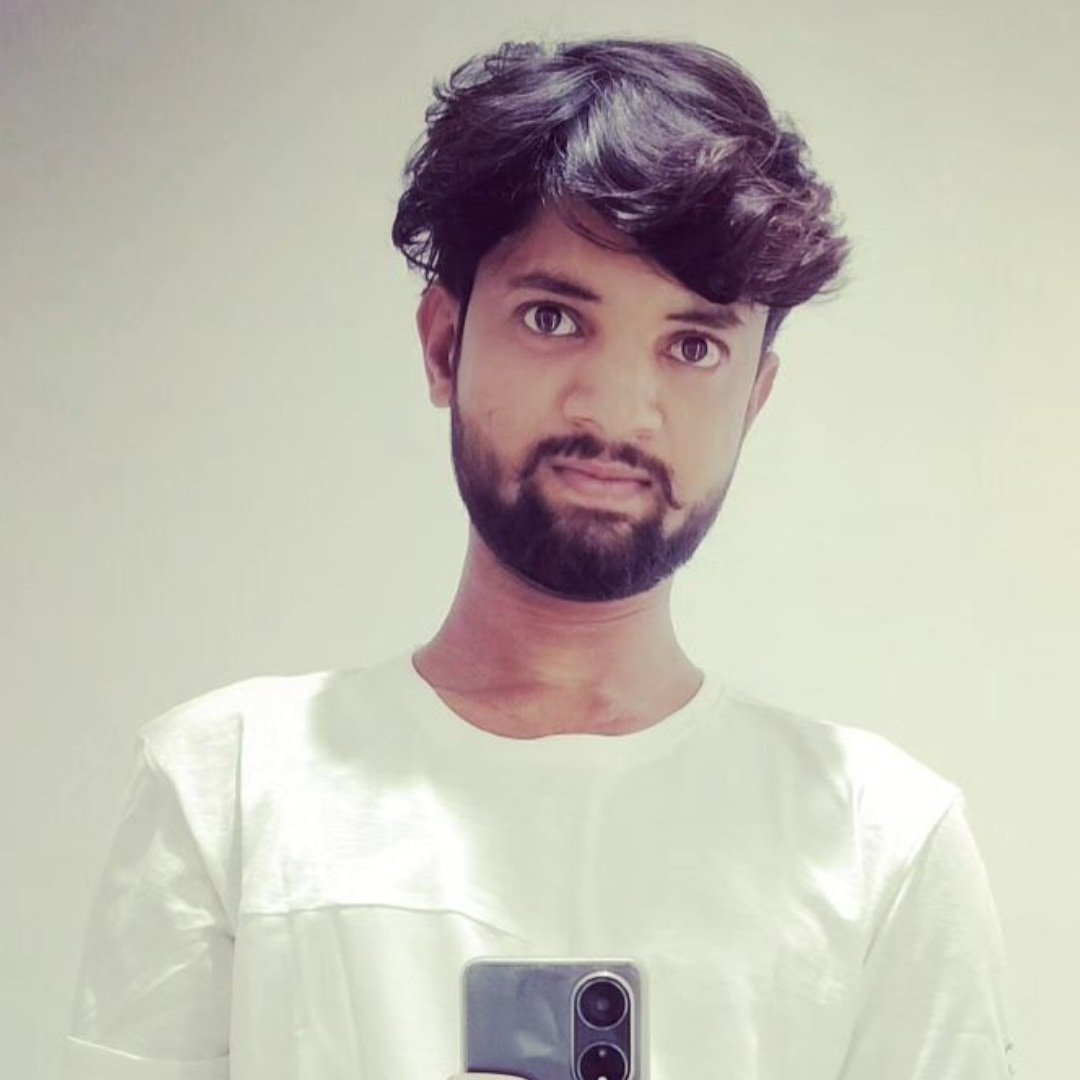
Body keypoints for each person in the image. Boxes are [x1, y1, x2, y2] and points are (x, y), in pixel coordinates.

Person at [61, 37, 1015, 1080]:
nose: (616, 409)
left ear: (754, 397)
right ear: (444, 343)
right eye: (554, 318)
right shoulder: (228, 788)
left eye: (692, 345)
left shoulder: (884, 840)